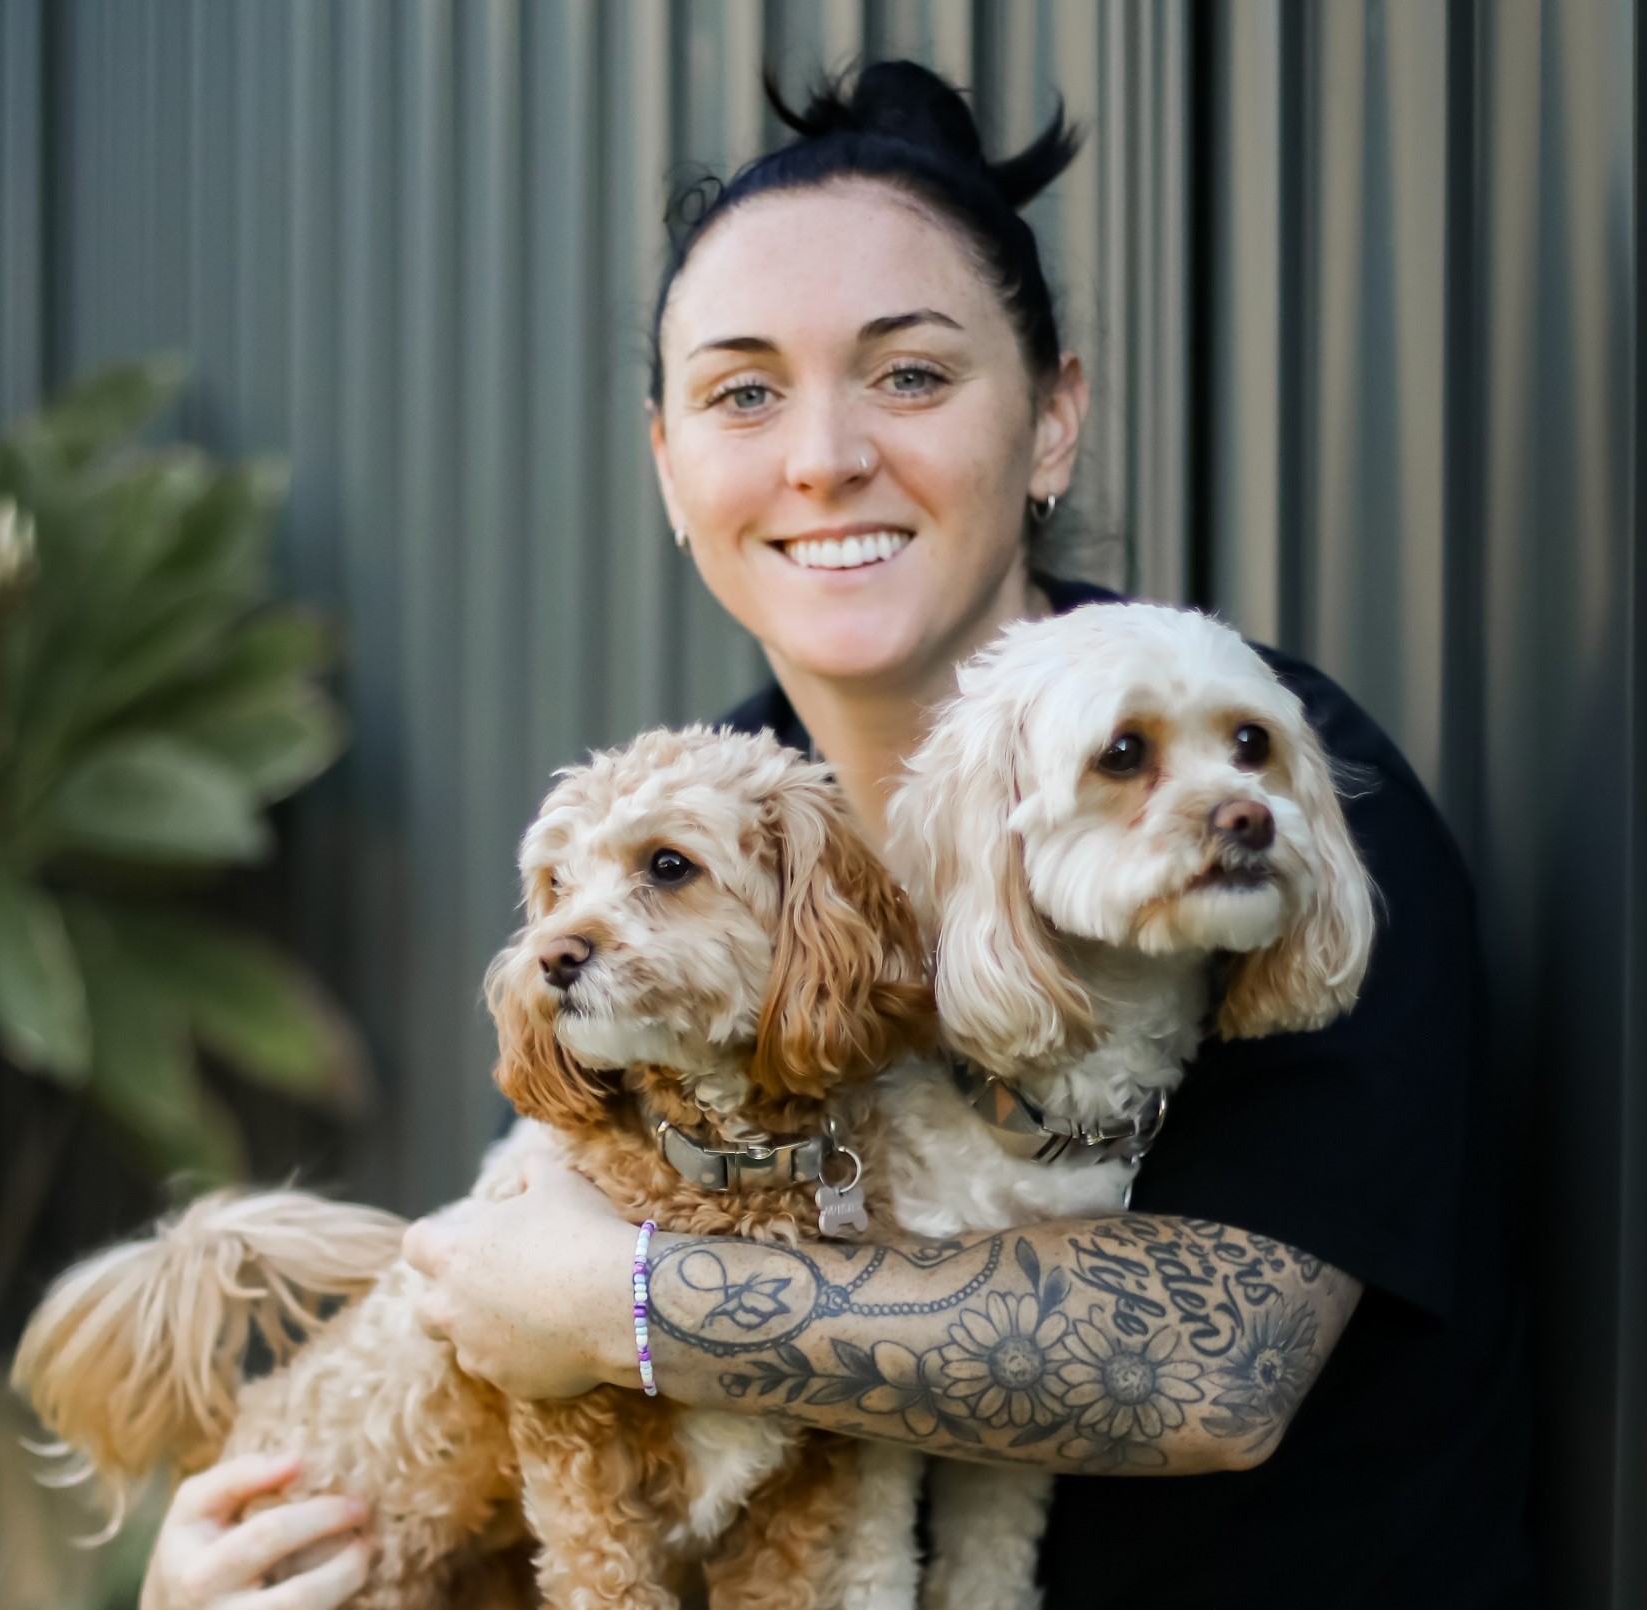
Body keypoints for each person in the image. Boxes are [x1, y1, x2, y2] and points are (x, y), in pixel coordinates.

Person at [141, 60, 1535, 1610]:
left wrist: (634, 1302)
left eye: (910, 375)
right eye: (744, 393)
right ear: (672, 468)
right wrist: (269, 1543)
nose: (822, 456)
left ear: (1053, 421)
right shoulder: (707, 834)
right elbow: (544, 1337)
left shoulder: (1250, 785)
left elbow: (1212, 1364)